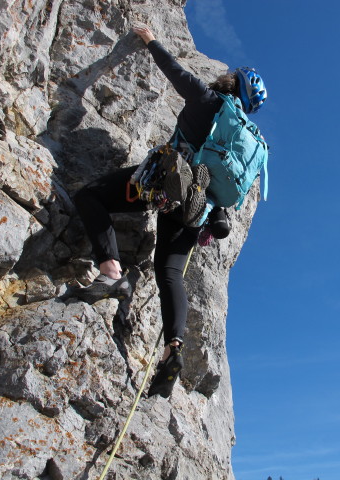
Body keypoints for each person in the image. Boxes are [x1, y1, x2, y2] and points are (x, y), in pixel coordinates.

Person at [72, 26, 267, 398]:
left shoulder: (207, 99)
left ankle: (111, 272)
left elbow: (173, 69)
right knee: (170, 273)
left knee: (91, 197)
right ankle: (172, 349)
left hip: (165, 185)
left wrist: (149, 39)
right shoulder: (246, 140)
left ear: (231, 83)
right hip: (199, 208)